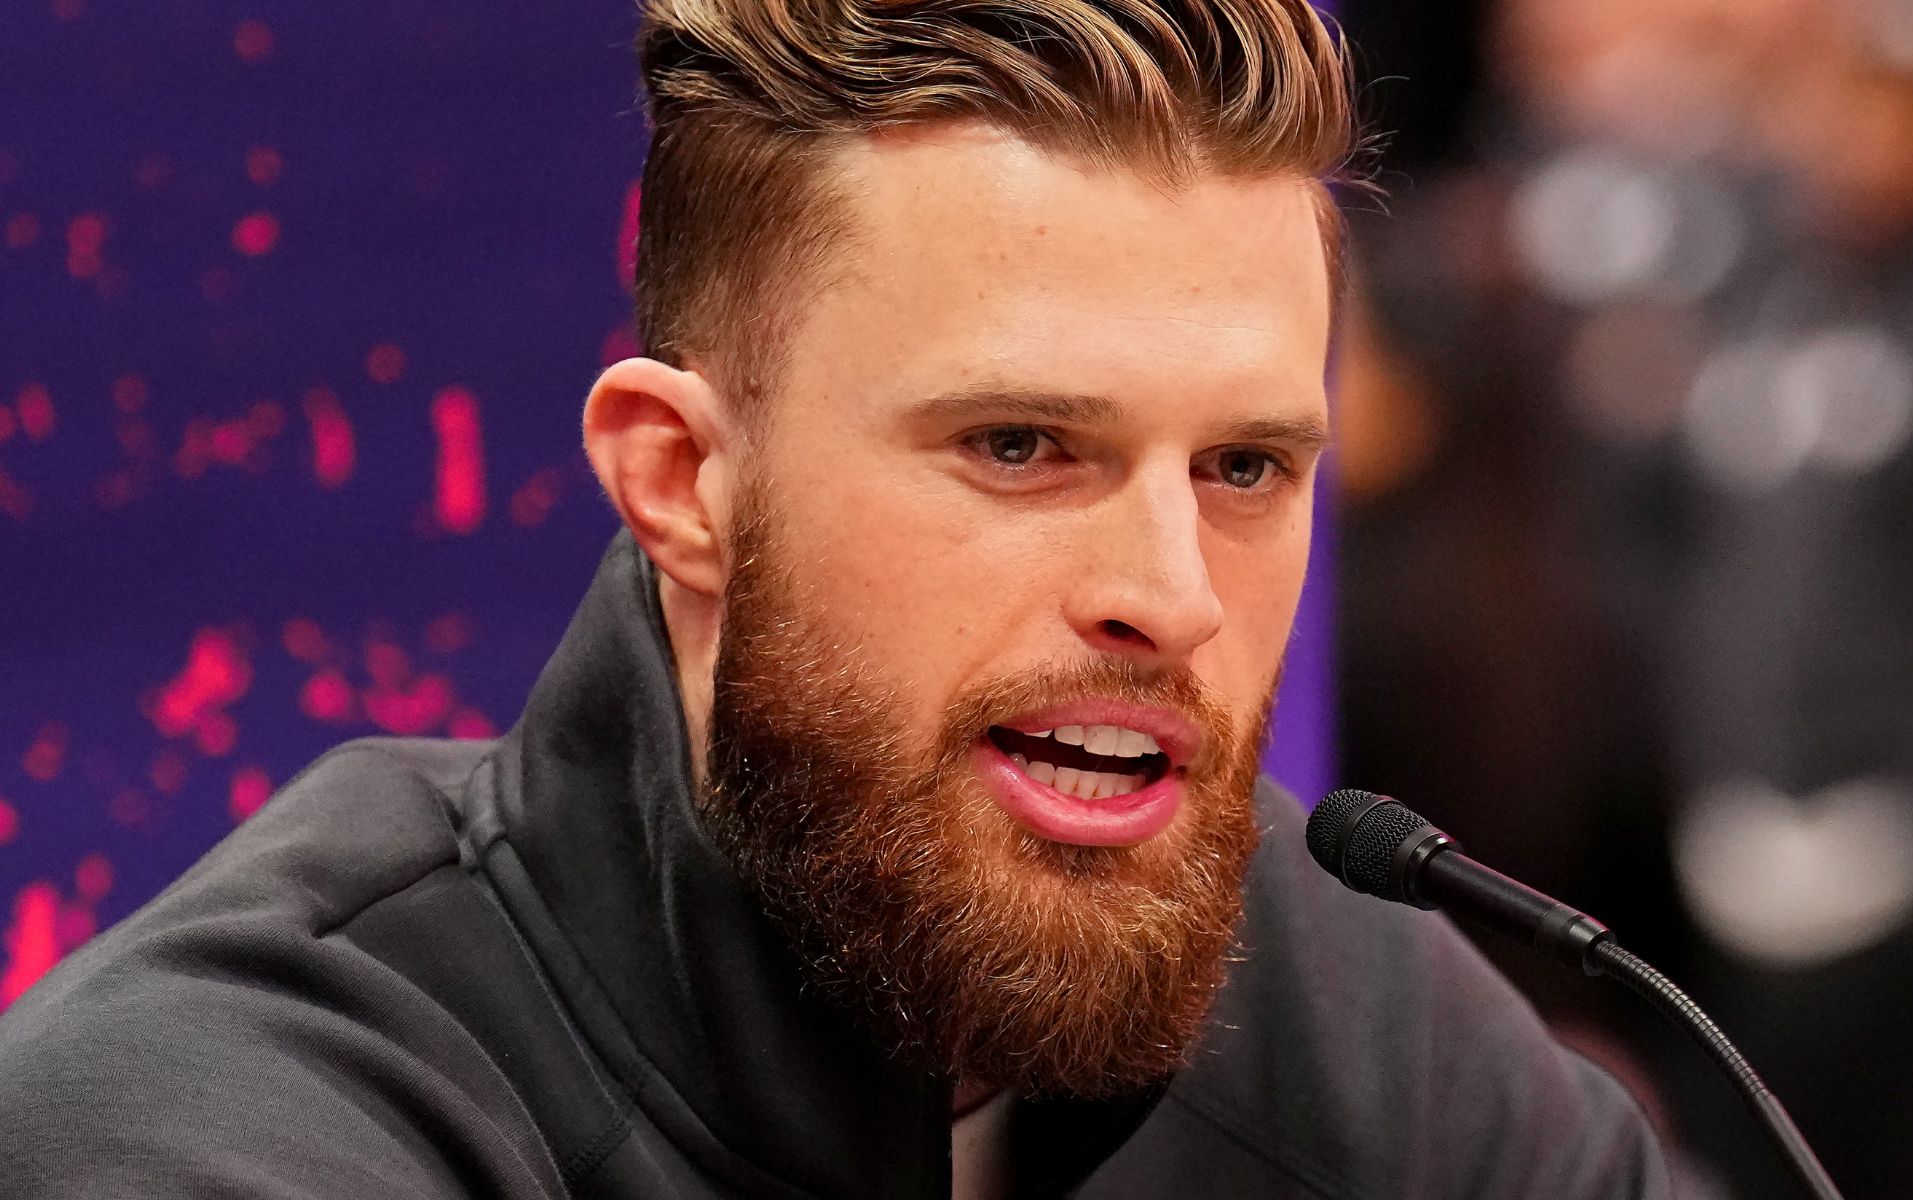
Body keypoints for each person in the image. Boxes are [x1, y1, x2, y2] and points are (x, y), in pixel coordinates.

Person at [0, 0, 1668, 1195]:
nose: (1173, 597)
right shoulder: (221, 1122)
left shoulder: (1370, 1034)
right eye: (1020, 444)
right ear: (680, 480)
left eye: (1245, 470)